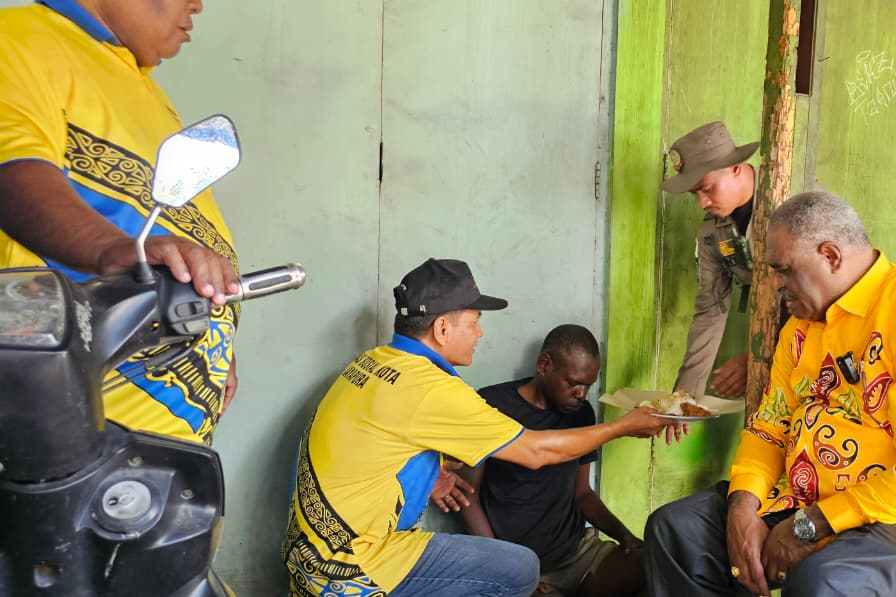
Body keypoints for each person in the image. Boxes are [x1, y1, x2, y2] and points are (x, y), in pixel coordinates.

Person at [645, 191, 896, 597]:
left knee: (825, 581)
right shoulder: (801, 327)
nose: (773, 285)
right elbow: (768, 430)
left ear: (830, 255)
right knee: (677, 529)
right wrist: (743, 508)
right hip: (803, 497)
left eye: (783, 271)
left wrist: (812, 523)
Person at [282, 259, 678, 597]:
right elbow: (536, 452)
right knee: (519, 569)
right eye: (474, 321)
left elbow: (371, 447)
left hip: (306, 554)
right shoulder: (432, 389)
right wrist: (624, 425)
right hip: (352, 567)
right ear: (441, 329)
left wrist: (428, 472)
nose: (480, 333)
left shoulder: (371, 364)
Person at [0, 0, 243, 445]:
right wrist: (112, 250)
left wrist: (212, 336)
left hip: (143, 461)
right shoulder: (21, 37)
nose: (197, 5)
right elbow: (13, 169)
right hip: (59, 445)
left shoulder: (143, 88)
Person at [458, 324, 645, 597]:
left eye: (588, 385)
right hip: (520, 565)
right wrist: (505, 572)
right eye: (573, 383)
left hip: (580, 554)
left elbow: (582, 493)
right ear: (545, 365)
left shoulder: (581, 414)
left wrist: (624, 536)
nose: (581, 394)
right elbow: (467, 497)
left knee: (658, 567)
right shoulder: (491, 406)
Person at [661, 121, 759, 398]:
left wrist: (757, 359)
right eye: (695, 194)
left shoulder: (791, 208)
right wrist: (685, 394)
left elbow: (815, 307)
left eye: (706, 188)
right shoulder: (711, 234)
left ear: (735, 168)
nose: (702, 203)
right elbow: (711, 311)